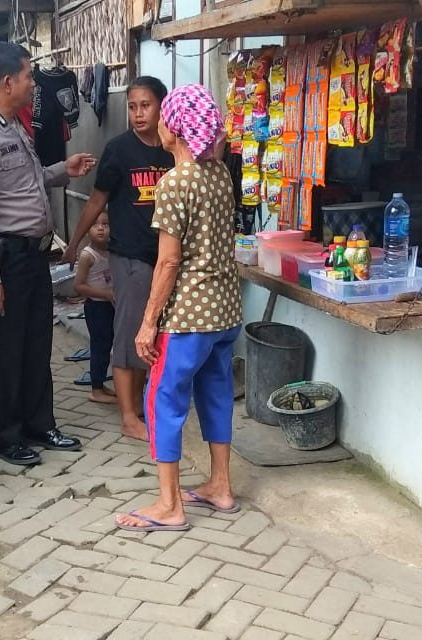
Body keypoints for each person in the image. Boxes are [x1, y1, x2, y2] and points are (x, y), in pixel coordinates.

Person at [0, 42, 97, 466]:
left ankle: (39, 423)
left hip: (34, 258)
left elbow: (24, 182)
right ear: (7, 81)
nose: (34, 83)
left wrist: (61, 171)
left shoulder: (15, 126)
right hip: (5, 261)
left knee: (37, 344)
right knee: (3, 352)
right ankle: (5, 435)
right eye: (30, 76)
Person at [114, 84, 243, 532]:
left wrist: (148, 322)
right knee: (216, 393)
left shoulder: (174, 183)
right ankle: (220, 486)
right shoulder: (220, 174)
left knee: (161, 398)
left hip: (188, 316)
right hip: (225, 311)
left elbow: (168, 260)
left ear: (175, 127)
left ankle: (169, 505)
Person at [62, 77, 174, 442]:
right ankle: (128, 417)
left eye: (146, 105)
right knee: (129, 337)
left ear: (162, 106)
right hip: (130, 258)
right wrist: (75, 241)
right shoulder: (119, 150)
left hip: (166, 259)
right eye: (132, 106)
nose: (138, 113)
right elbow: (96, 200)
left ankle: (139, 407)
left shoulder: (173, 151)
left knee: (152, 338)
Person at [73, 212, 116, 405]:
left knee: (107, 347)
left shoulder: (112, 251)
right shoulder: (87, 256)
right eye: (95, 224)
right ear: (87, 230)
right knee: (99, 348)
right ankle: (96, 390)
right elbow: (79, 286)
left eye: (105, 224)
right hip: (96, 308)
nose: (100, 228)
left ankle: (100, 384)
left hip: (111, 306)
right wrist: (104, 294)